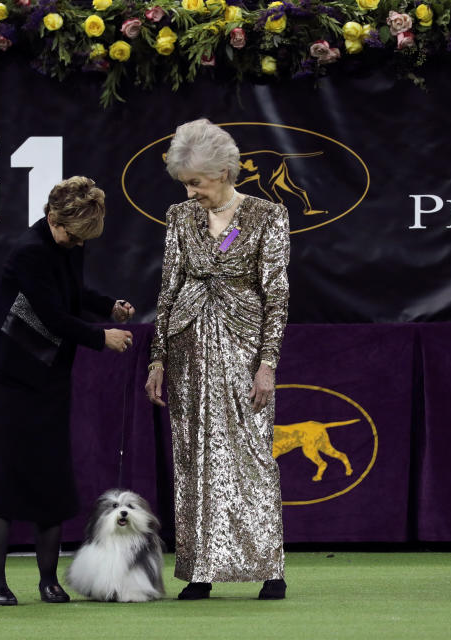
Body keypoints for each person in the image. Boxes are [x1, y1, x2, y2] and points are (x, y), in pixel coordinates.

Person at [0, 176, 135, 606]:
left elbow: (73, 293)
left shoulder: (69, 244)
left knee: (51, 479)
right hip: (5, 377)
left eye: (84, 239)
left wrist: (107, 305)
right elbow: (53, 315)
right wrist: (103, 337)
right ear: (52, 217)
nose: (78, 245)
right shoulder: (29, 252)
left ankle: (48, 582)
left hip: (49, 378)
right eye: (73, 236)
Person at [144, 119, 291, 600]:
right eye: (186, 183)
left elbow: (277, 294)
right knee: (193, 458)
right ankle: (200, 570)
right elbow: (168, 290)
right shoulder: (180, 216)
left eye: (198, 183)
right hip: (187, 348)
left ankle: (269, 567)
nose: (192, 193)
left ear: (226, 172)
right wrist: (157, 359)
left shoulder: (268, 216)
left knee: (250, 454)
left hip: (243, 347)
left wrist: (267, 363)